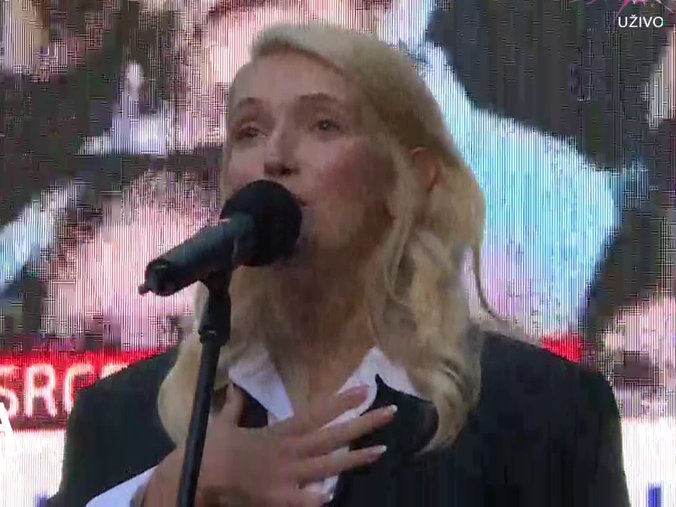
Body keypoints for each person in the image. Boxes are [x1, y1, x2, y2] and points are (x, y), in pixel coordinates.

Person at [48, 22, 630, 507]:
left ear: (409, 181)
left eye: (323, 125)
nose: (275, 156)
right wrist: (164, 493)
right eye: (249, 131)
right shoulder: (121, 420)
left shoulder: (544, 413)